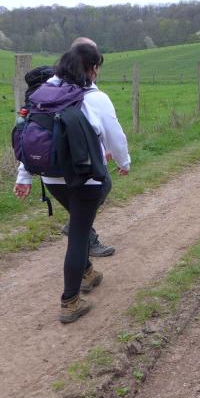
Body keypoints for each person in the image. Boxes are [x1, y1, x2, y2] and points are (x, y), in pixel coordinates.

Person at [14, 42, 131, 323]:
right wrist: (124, 162)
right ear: (92, 68)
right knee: (79, 232)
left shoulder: (42, 94)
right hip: (85, 178)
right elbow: (115, 136)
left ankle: (87, 272)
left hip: (51, 176)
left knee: (80, 223)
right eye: (97, 68)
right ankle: (70, 302)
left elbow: (31, 136)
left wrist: (24, 176)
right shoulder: (96, 98)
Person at [24, 64, 116, 257]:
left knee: (83, 209)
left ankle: (83, 256)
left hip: (49, 171)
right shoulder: (73, 97)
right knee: (96, 193)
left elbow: (29, 141)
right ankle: (84, 246)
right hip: (78, 167)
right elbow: (88, 129)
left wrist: (23, 176)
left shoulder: (37, 103)